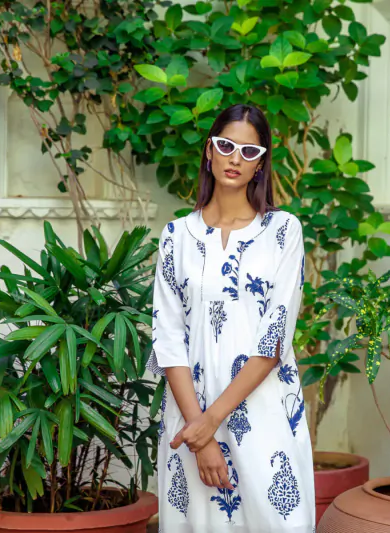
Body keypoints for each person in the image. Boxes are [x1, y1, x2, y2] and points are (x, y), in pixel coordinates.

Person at [148, 103, 315, 532]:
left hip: (262, 413)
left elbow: (272, 340)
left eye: (249, 151)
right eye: (225, 145)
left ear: (261, 164)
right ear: (209, 151)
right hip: (189, 415)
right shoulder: (175, 238)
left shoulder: (282, 232)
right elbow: (168, 340)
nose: (235, 158)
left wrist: (211, 422)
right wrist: (198, 433)